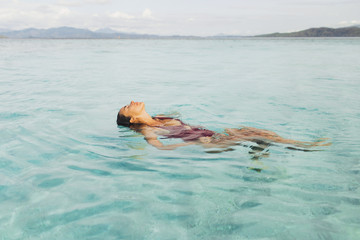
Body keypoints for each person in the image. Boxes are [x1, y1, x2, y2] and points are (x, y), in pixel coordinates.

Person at [117, 101, 330, 151]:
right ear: (133, 120)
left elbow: (179, 116)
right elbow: (160, 148)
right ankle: (305, 146)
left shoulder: (160, 118)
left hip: (209, 133)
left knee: (252, 132)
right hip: (206, 141)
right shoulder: (146, 129)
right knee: (259, 133)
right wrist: (193, 144)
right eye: (127, 107)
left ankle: (257, 155)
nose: (131, 102)